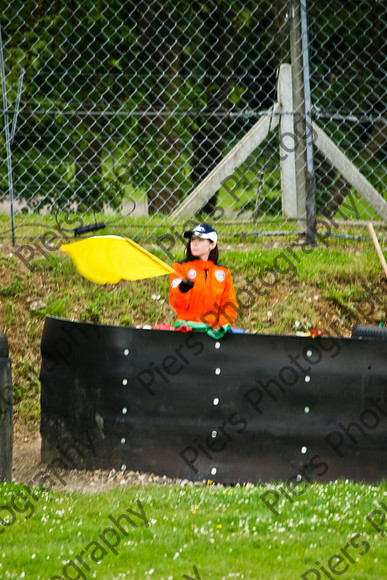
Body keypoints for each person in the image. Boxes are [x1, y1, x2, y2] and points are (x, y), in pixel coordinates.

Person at [169, 224, 238, 336]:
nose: (195, 243)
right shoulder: (179, 268)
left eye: (200, 239)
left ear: (212, 244)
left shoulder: (224, 273)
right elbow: (177, 305)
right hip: (186, 329)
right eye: (193, 239)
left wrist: (221, 328)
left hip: (214, 331)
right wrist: (182, 290)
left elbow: (229, 305)